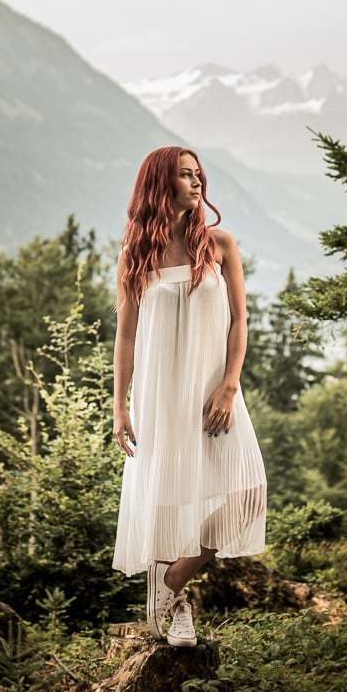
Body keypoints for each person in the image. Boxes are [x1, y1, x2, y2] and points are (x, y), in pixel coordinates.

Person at [111, 145, 267, 647]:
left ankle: (172, 584)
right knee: (166, 495)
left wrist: (228, 386)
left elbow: (241, 322)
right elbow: (126, 336)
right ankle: (169, 608)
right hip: (159, 394)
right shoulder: (138, 253)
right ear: (161, 183)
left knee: (246, 493)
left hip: (212, 392)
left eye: (198, 175)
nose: (197, 183)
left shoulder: (219, 243)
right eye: (184, 175)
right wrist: (119, 405)